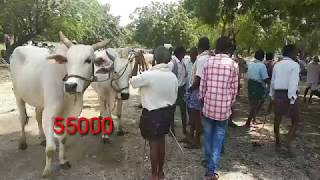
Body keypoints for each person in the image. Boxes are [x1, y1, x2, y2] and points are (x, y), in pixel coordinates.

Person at [130, 46, 178, 180]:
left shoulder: (149, 75)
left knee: (153, 146)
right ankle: (161, 172)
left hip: (152, 115)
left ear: (155, 59)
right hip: (167, 114)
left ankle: (154, 175)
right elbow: (174, 97)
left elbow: (132, 81)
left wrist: (136, 63)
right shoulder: (172, 76)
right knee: (161, 143)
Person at [199, 36, 239, 180]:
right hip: (223, 109)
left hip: (209, 105)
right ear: (229, 49)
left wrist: (202, 99)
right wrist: (229, 103)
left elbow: (203, 86)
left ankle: (207, 159)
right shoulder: (234, 65)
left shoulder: (208, 62)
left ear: (216, 47)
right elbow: (234, 90)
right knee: (218, 139)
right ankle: (211, 171)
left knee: (208, 135)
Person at [270, 44, 300, 153]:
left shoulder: (277, 65)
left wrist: (272, 95)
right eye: (296, 51)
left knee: (277, 119)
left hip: (278, 93)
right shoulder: (295, 65)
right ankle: (288, 143)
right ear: (292, 53)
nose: (297, 53)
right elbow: (293, 82)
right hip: (289, 94)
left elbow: (273, 82)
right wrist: (292, 99)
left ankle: (277, 142)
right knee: (295, 120)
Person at [245, 50, 269, 127]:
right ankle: (248, 122)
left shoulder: (251, 64)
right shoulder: (262, 66)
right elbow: (265, 78)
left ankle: (254, 119)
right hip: (257, 85)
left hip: (250, 83)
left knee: (252, 102)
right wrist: (272, 83)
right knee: (258, 102)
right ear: (262, 57)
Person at [168, 46, 188, 135]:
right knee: (172, 110)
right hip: (174, 90)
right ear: (180, 53)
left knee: (183, 110)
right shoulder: (172, 64)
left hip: (182, 89)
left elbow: (184, 76)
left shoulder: (182, 63)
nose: (184, 55)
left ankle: (184, 129)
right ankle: (172, 129)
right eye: (183, 53)